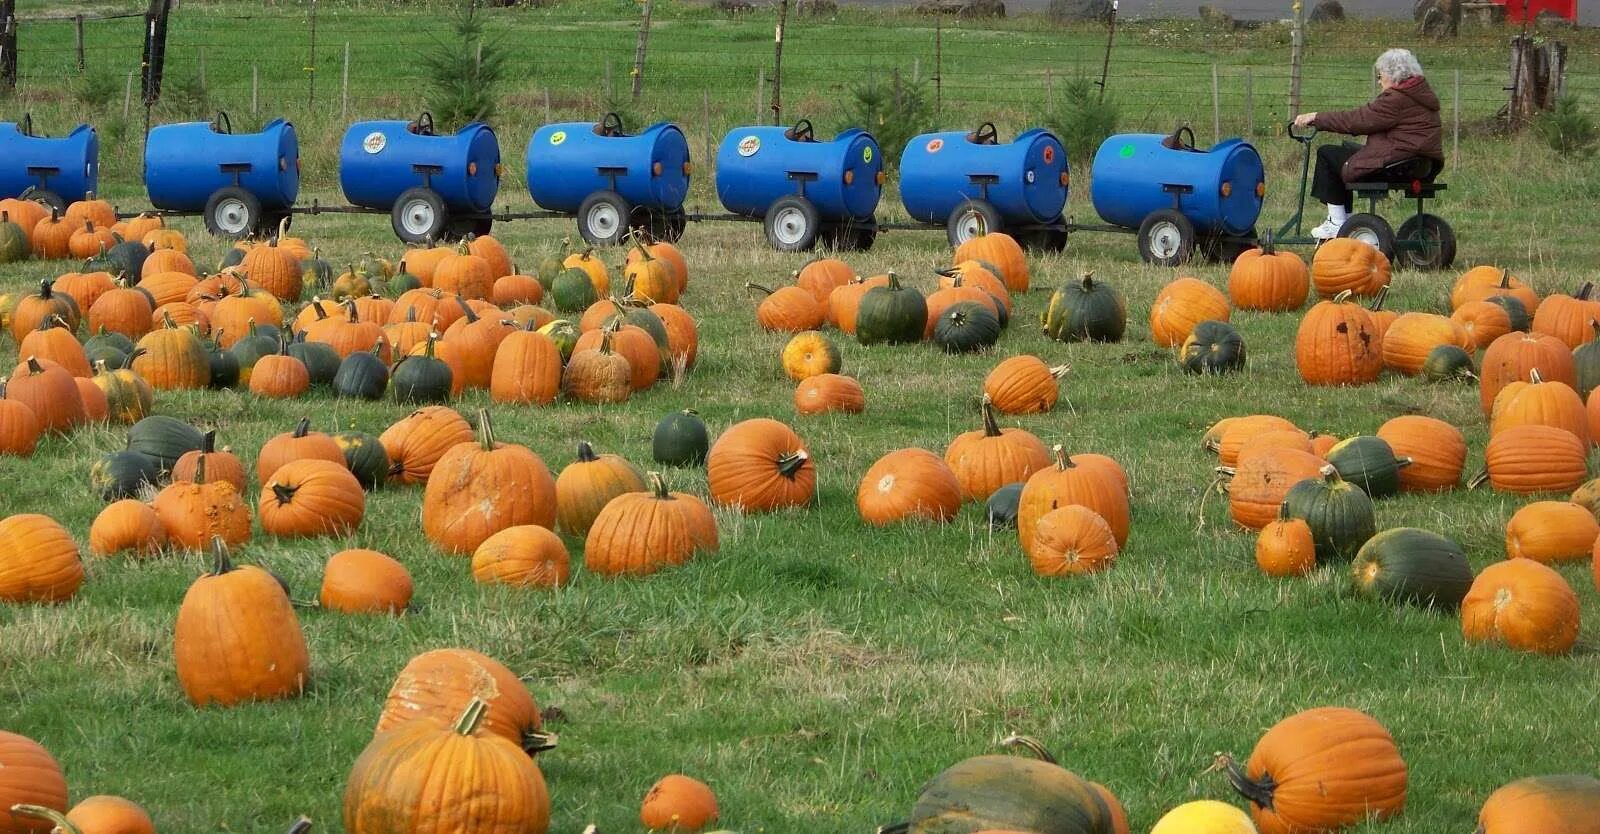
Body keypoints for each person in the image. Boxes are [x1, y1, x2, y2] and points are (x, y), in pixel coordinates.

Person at [1293, 48, 1443, 240]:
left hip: (1399, 163)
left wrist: (1316, 118)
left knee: (1327, 153)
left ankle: (1337, 222)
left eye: (1380, 75)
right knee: (1347, 150)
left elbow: (1357, 120)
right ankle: (1343, 220)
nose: (1379, 81)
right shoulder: (1421, 97)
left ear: (1392, 75)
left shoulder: (1396, 99)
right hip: (1421, 164)